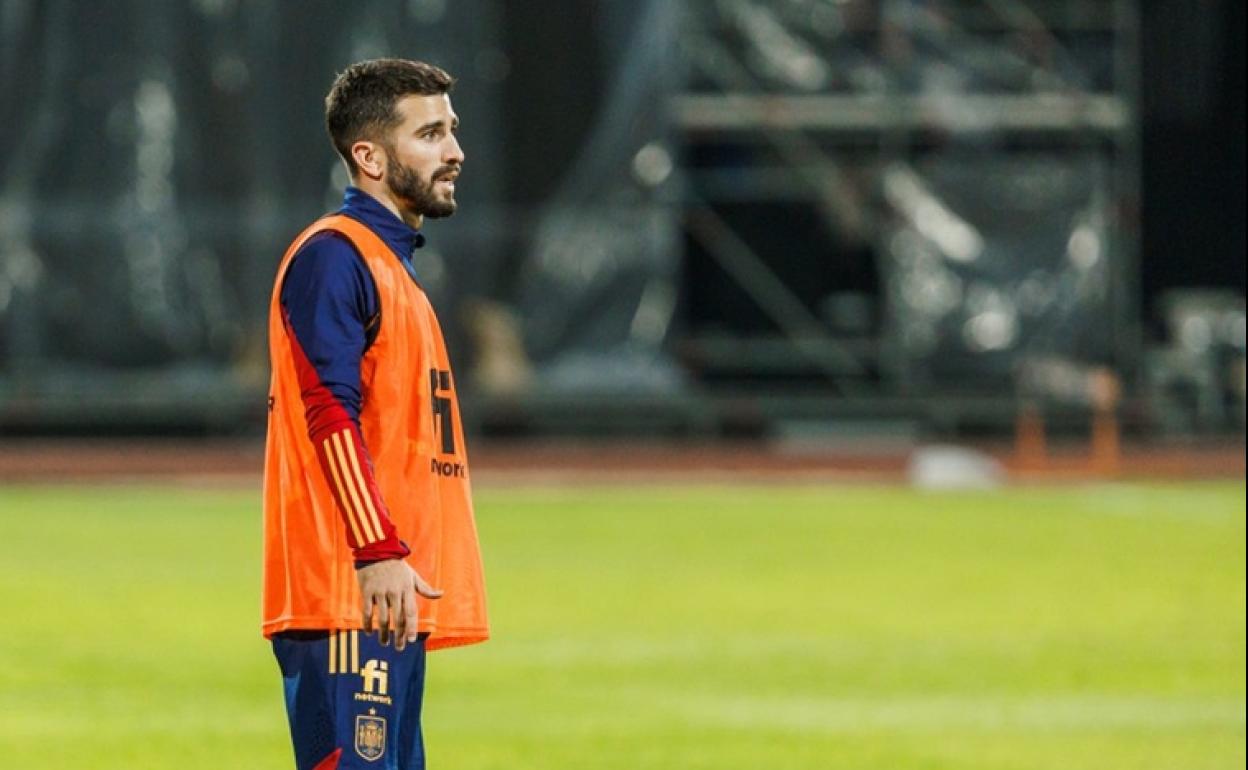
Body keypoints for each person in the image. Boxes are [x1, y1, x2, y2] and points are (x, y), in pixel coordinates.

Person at [262, 58, 488, 770]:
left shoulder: (390, 266)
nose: (454, 151)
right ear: (369, 156)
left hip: (384, 597)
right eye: (430, 134)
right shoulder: (335, 257)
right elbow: (328, 410)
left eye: (452, 131)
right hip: (348, 591)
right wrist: (378, 548)